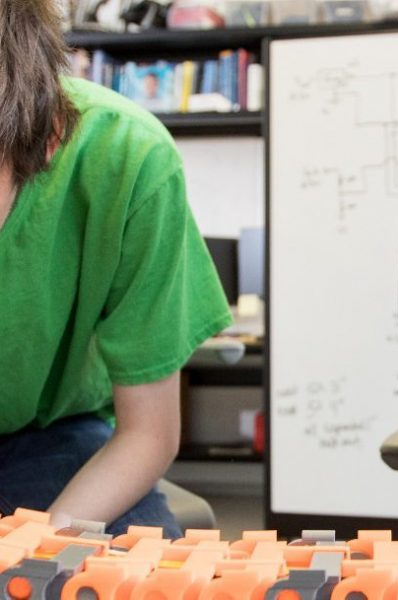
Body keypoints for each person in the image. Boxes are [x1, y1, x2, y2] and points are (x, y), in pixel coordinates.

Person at [0, 0, 232, 537]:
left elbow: (147, 434)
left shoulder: (126, 157)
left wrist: (34, 548)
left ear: (47, 135)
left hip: (53, 431)